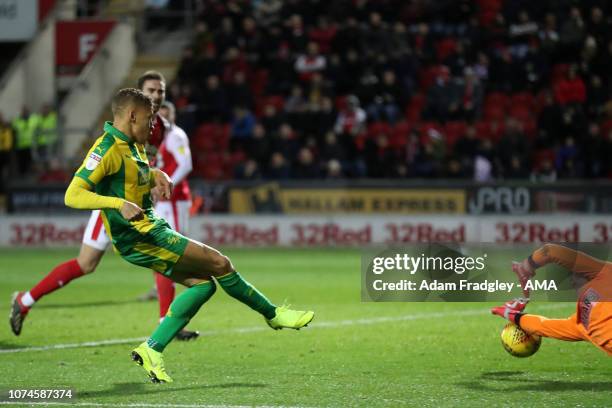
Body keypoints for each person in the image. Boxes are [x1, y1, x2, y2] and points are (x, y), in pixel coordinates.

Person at [65, 88, 314, 382]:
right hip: (139, 236)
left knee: (203, 286)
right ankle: (272, 314)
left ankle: (151, 349)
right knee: (220, 263)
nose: (154, 125)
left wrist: (157, 175)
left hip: (150, 229)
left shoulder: (133, 144)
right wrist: (117, 204)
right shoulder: (106, 148)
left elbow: (131, 177)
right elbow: (73, 195)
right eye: (150, 119)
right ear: (132, 116)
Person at [9, 71, 199, 341]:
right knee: (86, 264)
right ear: (138, 97)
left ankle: (166, 323)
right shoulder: (124, 130)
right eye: (150, 91)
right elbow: (102, 170)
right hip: (113, 208)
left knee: (161, 256)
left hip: (137, 207)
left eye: (160, 91)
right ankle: (25, 300)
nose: (156, 96)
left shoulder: (163, 129)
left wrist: (154, 180)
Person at [491, 244, 612, 356]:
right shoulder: (580, 324)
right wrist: (511, 314)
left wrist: (527, 265)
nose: (571, 277)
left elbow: (551, 252)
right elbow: (543, 326)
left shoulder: (607, 274)